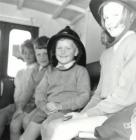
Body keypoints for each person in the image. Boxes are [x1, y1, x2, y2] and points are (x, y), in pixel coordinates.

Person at [40, 0, 136, 140]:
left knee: (61, 129)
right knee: (51, 125)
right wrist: (81, 114)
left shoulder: (133, 43)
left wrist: (86, 116)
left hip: (123, 112)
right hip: (105, 110)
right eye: (106, 17)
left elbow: (123, 97)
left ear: (131, 16)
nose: (110, 21)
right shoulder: (106, 54)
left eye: (115, 15)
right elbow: (98, 94)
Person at [20, 26, 90, 140]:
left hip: (65, 111)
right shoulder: (50, 71)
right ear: (54, 51)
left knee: (48, 127)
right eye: (59, 48)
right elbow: (40, 92)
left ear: (76, 51)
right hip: (46, 109)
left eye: (68, 48)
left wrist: (61, 106)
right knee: (24, 137)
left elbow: (84, 96)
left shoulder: (81, 71)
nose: (63, 52)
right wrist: (44, 105)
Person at [10, 36, 49, 140]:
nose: (42, 57)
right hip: (34, 104)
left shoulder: (51, 69)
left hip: (43, 105)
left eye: (46, 54)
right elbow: (28, 90)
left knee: (26, 121)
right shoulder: (36, 69)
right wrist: (19, 108)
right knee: (14, 126)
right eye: (39, 54)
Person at [0, 39, 36, 139]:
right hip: (16, 104)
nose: (28, 56)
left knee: (14, 126)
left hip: (29, 105)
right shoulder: (20, 72)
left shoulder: (38, 70)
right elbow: (18, 91)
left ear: (35, 54)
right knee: (1, 116)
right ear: (22, 54)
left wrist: (20, 108)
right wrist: (16, 105)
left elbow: (31, 92)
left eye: (31, 53)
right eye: (25, 53)